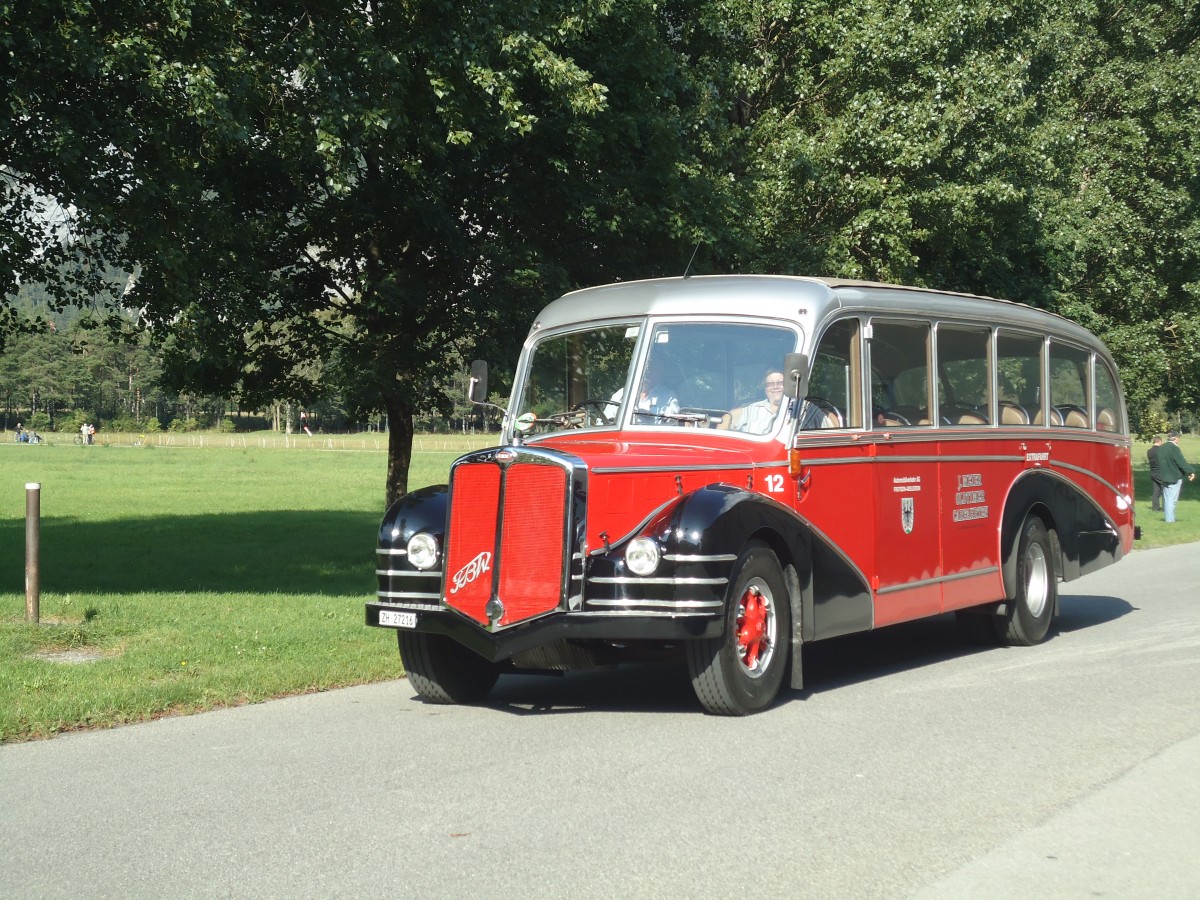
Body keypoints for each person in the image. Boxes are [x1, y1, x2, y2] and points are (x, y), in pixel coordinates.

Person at [720, 369, 785, 434]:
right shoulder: (753, 409)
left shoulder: (794, 410)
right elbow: (727, 417)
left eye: (780, 383)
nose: (775, 387)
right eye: (770, 384)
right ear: (765, 388)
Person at [1158, 430, 1195, 524]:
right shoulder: (1174, 448)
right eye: (1178, 437)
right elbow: (1180, 462)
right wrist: (1191, 471)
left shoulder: (1161, 448)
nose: (1179, 439)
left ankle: (1169, 518)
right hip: (1174, 477)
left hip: (1164, 476)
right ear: (1174, 438)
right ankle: (1170, 520)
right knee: (1172, 500)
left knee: (1167, 499)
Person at [1146, 435, 1164, 512]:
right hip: (1161, 472)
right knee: (1165, 490)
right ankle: (1166, 508)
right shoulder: (1161, 450)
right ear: (1159, 441)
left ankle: (1155, 508)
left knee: (1156, 491)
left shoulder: (1149, 451)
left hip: (1153, 472)